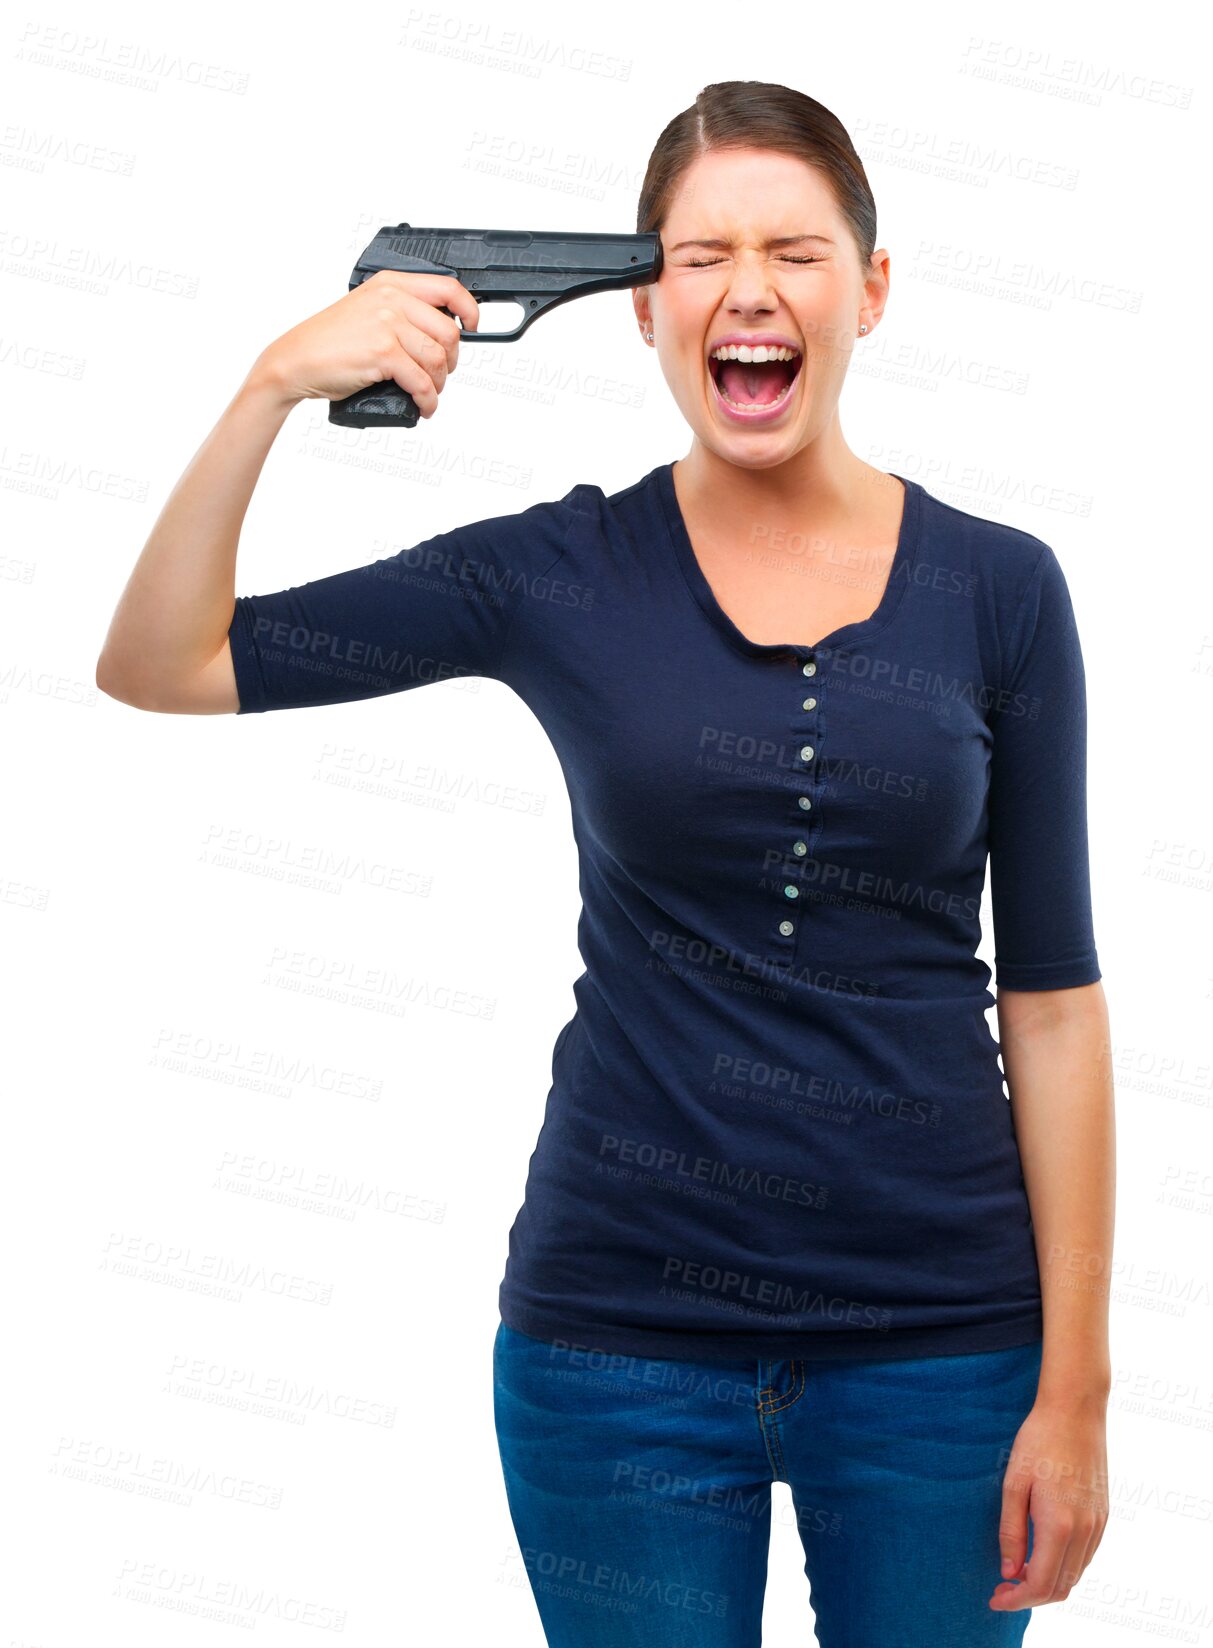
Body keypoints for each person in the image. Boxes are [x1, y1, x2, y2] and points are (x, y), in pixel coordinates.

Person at [96, 79, 1113, 1648]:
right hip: (617, 1355)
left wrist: (1076, 1388)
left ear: (871, 289)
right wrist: (270, 389)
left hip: (941, 1354)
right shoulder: (552, 571)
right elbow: (164, 661)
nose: (748, 292)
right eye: (699, 257)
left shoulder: (1001, 590)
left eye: (794, 252)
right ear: (645, 306)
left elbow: (1049, 1000)